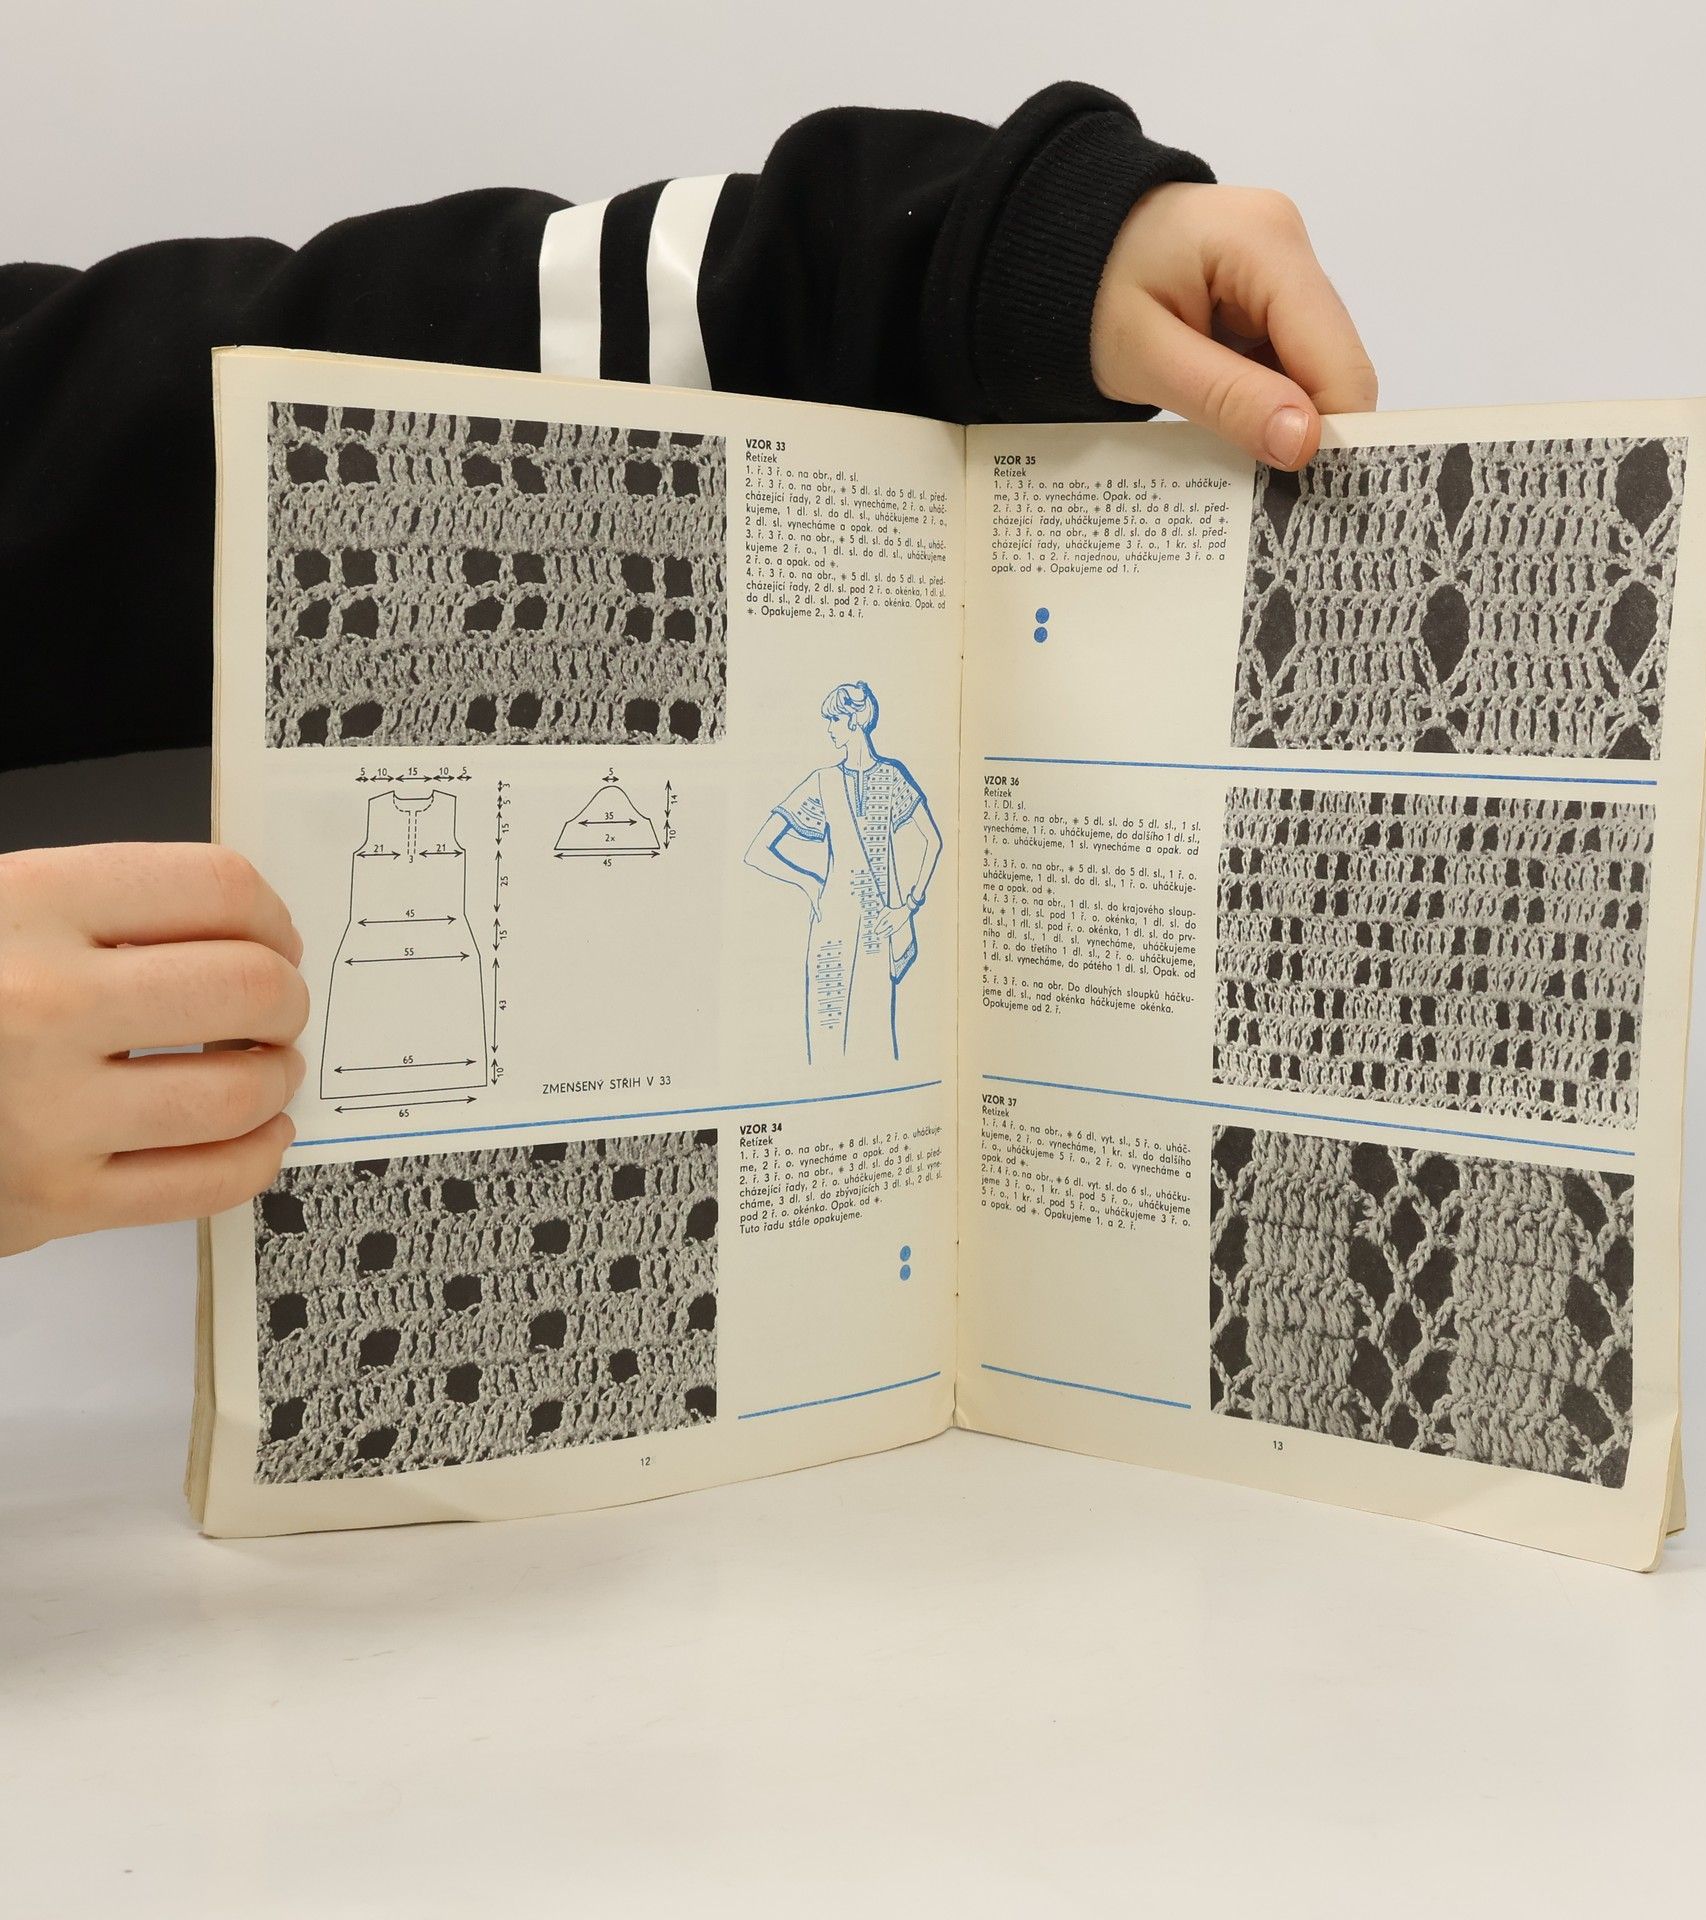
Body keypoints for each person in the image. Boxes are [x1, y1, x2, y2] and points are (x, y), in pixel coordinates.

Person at [0, 81, 1376, 1257]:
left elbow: (201, 427)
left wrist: (995, 256)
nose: (850, 731)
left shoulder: (881, 779)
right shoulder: (837, 787)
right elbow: (787, 842)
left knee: (869, 1053)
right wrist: (821, 878)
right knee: (835, 1046)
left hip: (867, 941)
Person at [744, 683, 940, 1064]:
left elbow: (933, 842)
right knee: (827, 1041)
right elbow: (757, 850)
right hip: (831, 928)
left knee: (874, 1043)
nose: (829, 729)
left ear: (853, 720)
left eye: (833, 720)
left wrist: (907, 908)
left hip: (876, 928)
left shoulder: (892, 776)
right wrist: (808, 882)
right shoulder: (823, 781)